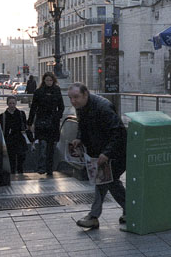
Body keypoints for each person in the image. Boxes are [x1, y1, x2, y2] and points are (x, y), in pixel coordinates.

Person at [68, 82, 127, 229]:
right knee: (106, 182)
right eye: (71, 98)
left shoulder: (103, 107)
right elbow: (83, 125)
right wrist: (79, 138)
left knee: (106, 182)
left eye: (76, 97)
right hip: (101, 153)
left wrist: (107, 153)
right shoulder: (81, 107)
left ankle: (94, 216)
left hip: (115, 153)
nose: (73, 101)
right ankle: (130, 210)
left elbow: (118, 132)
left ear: (85, 94)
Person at [27, 72, 65, 175]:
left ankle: (49, 169)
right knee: (43, 145)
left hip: (53, 122)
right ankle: (41, 167)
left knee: (51, 147)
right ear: (44, 80)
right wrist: (29, 122)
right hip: (42, 121)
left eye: (51, 80)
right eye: (47, 80)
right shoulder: (39, 92)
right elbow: (33, 108)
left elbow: (61, 106)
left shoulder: (56, 90)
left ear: (53, 81)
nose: (49, 82)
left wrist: (57, 116)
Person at [0, 97, 28, 174]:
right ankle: (13, 173)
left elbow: (25, 127)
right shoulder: (3, 116)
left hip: (19, 138)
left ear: (16, 103)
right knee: (11, 158)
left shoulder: (21, 114)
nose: (12, 105)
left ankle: (19, 170)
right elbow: (2, 129)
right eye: (10, 103)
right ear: (7, 104)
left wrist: (31, 139)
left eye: (13, 103)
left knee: (21, 156)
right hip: (9, 139)